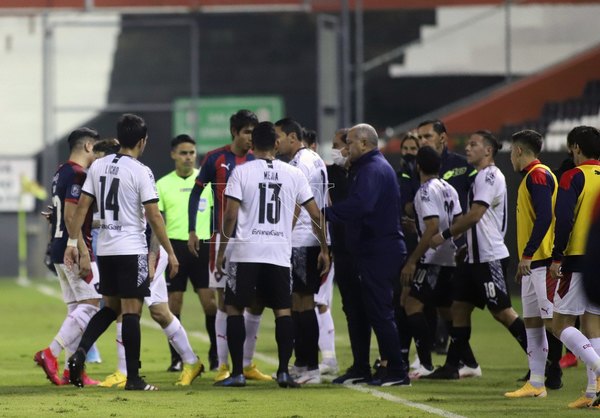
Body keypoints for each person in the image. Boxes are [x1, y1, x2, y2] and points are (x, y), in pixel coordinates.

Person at [64, 113, 179, 391]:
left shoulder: (98, 166)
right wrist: (170, 252)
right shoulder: (141, 171)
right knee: (131, 312)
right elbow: (154, 216)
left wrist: (71, 243)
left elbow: (82, 208)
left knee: (109, 306)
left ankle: (80, 352)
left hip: (105, 248)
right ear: (142, 141)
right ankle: (135, 379)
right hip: (132, 249)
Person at [213, 121, 330, 388]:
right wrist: (324, 248)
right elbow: (315, 214)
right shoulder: (293, 174)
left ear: (252, 145)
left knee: (234, 308)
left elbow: (230, 215)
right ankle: (284, 372)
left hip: (245, 252)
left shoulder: (241, 173)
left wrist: (222, 250)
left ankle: (238, 373)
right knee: (282, 310)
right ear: (276, 144)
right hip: (278, 253)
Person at [428, 130, 528, 380]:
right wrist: (467, 246)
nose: (468, 148)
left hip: (489, 256)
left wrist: (445, 235)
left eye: (473, 144)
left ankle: (544, 361)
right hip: (474, 256)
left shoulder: (490, 175)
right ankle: (458, 365)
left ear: (488, 151)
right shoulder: (482, 176)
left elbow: (475, 215)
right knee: (459, 309)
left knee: (502, 312)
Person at [187, 110, 270, 382]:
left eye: (253, 132)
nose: (250, 137)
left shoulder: (258, 160)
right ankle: (223, 366)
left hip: (253, 240)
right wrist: (192, 229)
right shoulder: (215, 158)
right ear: (234, 132)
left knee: (255, 301)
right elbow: (196, 192)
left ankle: (246, 364)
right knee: (225, 301)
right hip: (222, 239)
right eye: (247, 132)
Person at [325, 123, 410, 386]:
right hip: (369, 249)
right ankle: (362, 367)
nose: (345, 148)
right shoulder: (368, 167)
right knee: (360, 312)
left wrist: (325, 213)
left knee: (380, 311)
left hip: (379, 250)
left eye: (349, 143)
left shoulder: (372, 169)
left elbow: (361, 205)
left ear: (363, 143)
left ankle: (397, 371)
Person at [34, 128, 102, 386]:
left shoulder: (60, 171)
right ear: (87, 147)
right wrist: (83, 251)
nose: (97, 154)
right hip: (74, 249)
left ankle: (72, 371)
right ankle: (50, 353)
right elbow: (74, 216)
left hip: (60, 246)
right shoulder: (78, 173)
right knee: (91, 305)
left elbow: (65, 213)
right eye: (95, 148)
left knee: (76, 309)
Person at [98, 232, 203, 388]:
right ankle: (192, 362)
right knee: (159, 312)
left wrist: (152, 259)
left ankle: (124, 371)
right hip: (128, 251)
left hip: (146, 253)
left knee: (126, 305)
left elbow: (155, 218)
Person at [503, 130, 562, 399]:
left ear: (518, 151)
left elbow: (544, 218)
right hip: (531, 264)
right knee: (533, 323)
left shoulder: (537, 175)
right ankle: (536, 384)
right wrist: (524, 260)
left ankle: (596, 373)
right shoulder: (532, 176)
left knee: (555, 324)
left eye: (511, 153)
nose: (510, 159)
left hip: (542, 261)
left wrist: (526, 254)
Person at [547, 126, 600, 408]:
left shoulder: (573, 176)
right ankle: (593, 394)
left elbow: (564, 218)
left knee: (559, 324)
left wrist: (557, 257)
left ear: (576, 147)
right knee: (594, 326)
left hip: (579, 257)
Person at [275, 117, 330, 385]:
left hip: (299, 241)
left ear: (293, 138)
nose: (276, 142)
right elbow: (323, 205)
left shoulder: (298, 164)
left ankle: (310, 367)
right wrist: (324, 245)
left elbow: (299, 206)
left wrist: (283, 236)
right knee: (302, 301)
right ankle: (304, 364)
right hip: (311, 240)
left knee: (302, 303)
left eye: (279, 137)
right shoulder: (317, 160)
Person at [157, 134, 218, 372]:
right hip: (175, 249)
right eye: (183, 153)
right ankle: (178, 358)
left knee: (209, 303)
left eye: (192, 152)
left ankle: (215, 356)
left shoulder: (206, 183)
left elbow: (215, 216)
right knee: (174, 304)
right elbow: (158, 221)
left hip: (202, 249)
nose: (188, 157)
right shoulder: (162, 184)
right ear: (173, 155)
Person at [400, 146, 462, 380]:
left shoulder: (424, 191)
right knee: (448, 312)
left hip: (431, 259)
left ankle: (425, 363)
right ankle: (458, 363)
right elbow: (456, 222)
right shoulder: (449, 188)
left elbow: (433, 226)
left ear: (418, 167)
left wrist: (413, 261)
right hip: (450, 258)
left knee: (411, 304)